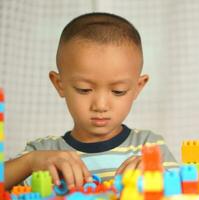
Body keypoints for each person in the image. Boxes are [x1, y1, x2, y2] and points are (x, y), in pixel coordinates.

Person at [4, 12, 178, 190]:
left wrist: (157, 176)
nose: (100, 106)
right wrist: (29, 162)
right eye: (84, 89)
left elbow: (186, 191)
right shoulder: (43, 152)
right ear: (59, 84)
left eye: (118, 91)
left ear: (138, 87)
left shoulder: (150, 148)